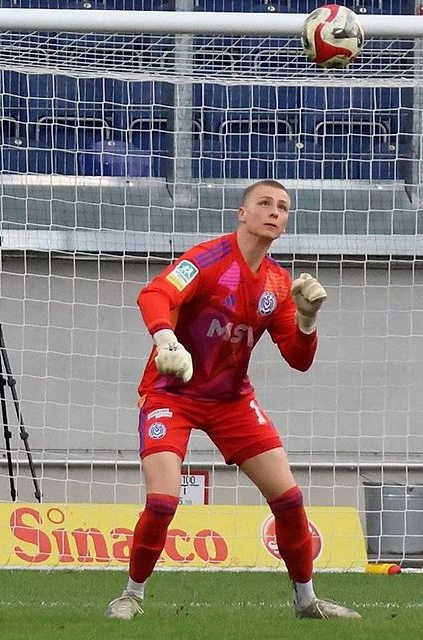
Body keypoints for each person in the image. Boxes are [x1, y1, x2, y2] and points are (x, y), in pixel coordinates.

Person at [105, 179, 360, 622]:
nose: (274, 211)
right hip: (173, 392)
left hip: (231, 400)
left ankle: (307, 600)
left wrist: (307, 317)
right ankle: (131, 595)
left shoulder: (280, 284)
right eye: (264, 203)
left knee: (290, 499)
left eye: (282, 206)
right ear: (242, 213)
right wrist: (167, 340)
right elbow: (154, 294)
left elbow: (299, 360)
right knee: (164, 501)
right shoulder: (207, 259)